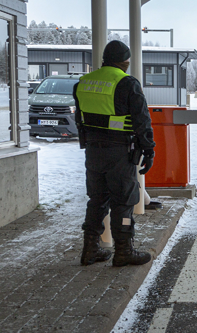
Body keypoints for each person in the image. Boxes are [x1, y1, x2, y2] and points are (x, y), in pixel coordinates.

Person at [74, 40, 155, 267]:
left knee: (97, 199)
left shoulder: (83, 83)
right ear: (124, 61)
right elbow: (141, 120)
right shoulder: (127, 83)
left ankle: (90, 249)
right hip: (120, 152)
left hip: (93, 151)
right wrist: (148, 149)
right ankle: (123, 251)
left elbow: (80, 119)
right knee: (124, 202)